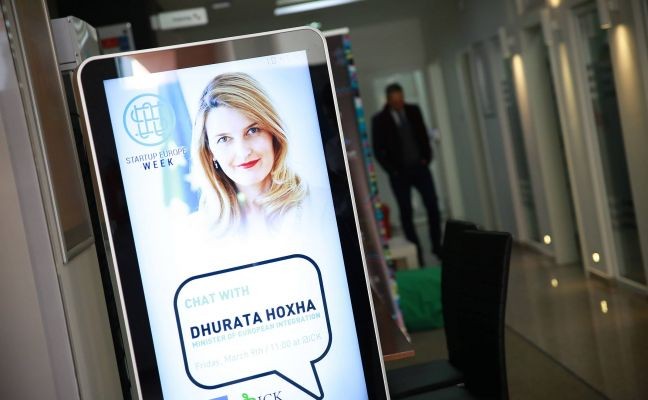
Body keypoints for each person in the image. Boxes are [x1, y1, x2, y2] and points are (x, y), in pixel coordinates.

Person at [191, 72, 306, 234]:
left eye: (253, 130)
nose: (243, 152)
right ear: (210, 153)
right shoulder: (196, 231)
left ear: (273, 134)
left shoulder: (320, 206)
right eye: (224, 139)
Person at [372, 83, 442, 264]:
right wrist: (392, 170)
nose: (399, 103)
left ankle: (437, 246)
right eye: (395, 101)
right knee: (406, 212)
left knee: (433, 206)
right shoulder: (380, 120)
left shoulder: (413, 111)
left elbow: (423, 135)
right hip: (399, 173)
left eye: (401, 99)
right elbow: (378, 149)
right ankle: (416, 252)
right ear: (388, 100)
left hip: (420, 167)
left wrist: (427, 157)